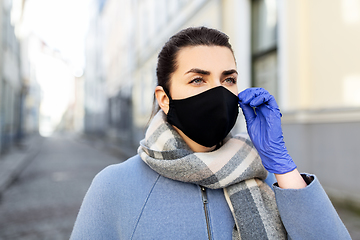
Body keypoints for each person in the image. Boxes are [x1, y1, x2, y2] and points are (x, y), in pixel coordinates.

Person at [70, 27, 351, 240]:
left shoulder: (261, 177)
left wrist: (282, 165)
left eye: (228, 79)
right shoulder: (114, 187)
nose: (218, 92)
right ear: (164, 99)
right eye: (197, 79)